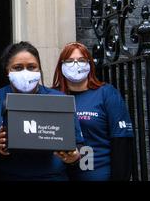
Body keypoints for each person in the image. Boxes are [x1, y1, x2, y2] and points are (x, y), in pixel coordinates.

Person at [0, 41, 84, 181]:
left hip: (51, 177)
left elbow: (78, 144)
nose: (25, 72)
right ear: (7, 71)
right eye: (18, 68)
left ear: (39, 69)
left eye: (31, 67)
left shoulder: (60, 100)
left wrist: (73, 157)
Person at [52, 41, 134, 181]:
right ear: (61, 66)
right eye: (70, 61)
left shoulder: (106, 94)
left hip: (97, 174)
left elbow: (121, 142)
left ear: (89, 64)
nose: (76, 64)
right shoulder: (51, 96)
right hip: (58, 175)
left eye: (82, 60)